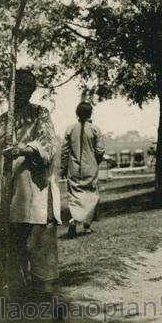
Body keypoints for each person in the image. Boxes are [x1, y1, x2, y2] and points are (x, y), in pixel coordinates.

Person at [0, 69, 61, 301]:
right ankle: (17, 297)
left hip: (36, 191)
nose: (21, 90)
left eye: (27, 86)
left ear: (32, 90)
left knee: (39, 246)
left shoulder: (39, 114)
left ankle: (47, 299)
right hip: (9, 195)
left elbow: (49, 146)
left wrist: (23, 150)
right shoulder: (2, 120)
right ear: (9, 89)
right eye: (17, 86)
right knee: (13, 248)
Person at [61, 101, 105, 237]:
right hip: (90, 168)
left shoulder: (70, 129)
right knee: (91, 196)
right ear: (90, 113)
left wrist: (63, 168)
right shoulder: (95, 129)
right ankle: (86, 226)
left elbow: (64, 151)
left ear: (77, 113)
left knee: (75, 197)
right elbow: (100, 150)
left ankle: (74, 220)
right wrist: (95, 162)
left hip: (73, 168)